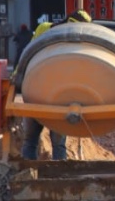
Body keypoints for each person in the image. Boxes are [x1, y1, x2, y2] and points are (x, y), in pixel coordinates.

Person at [20, 9, 93, 161]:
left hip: (34, 89)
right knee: (57, 145)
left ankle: (27, 174)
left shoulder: (44, 28)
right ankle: (59, 177)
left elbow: (28, 53)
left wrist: (18, 78)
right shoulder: (75, 39)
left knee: (30, 142)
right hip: (58, 96)